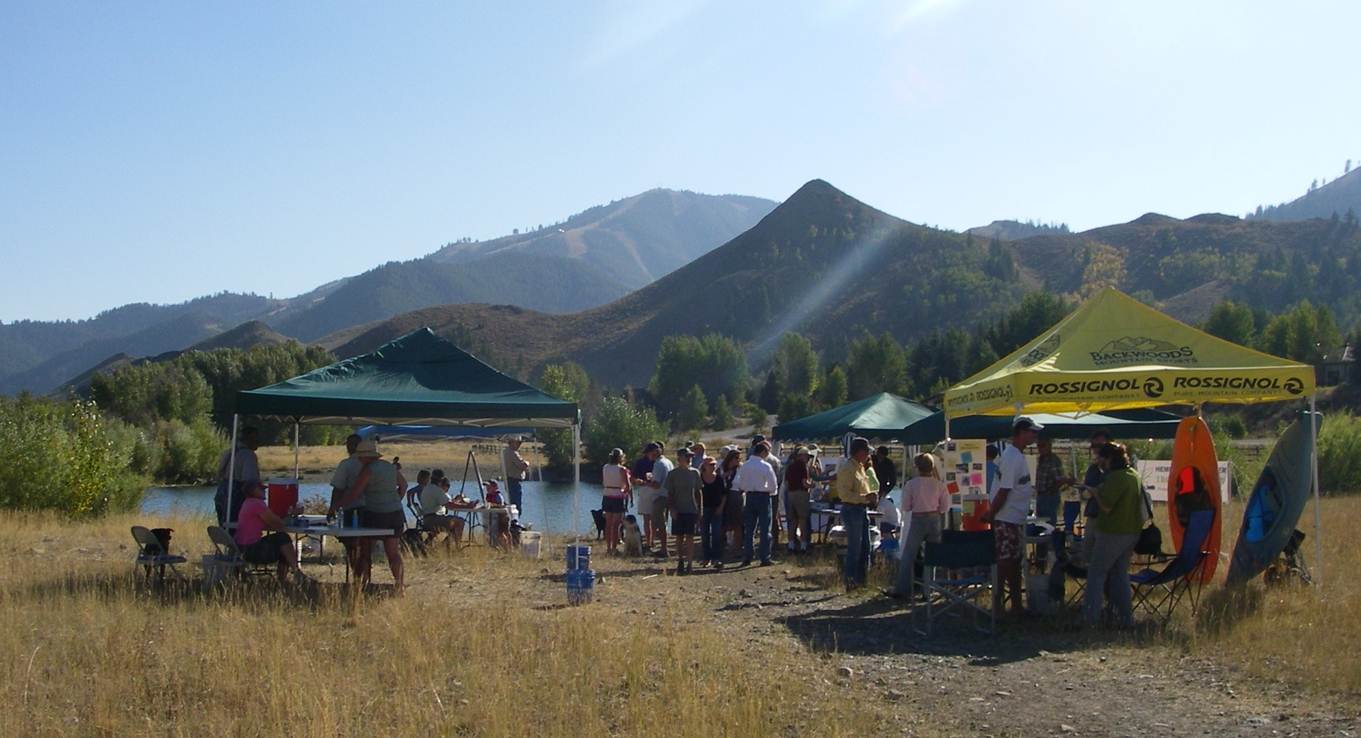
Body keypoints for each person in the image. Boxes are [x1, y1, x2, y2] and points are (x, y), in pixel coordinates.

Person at [982, 417, 1042, 620]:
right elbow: (1004, 490)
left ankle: (1016, 604)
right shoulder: (1011, 457)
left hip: (1014, 518)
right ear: (1021, 432)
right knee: (1005, 562)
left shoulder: (1015, 455)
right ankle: (998, 605)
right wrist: (991, 514)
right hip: (1006, 518)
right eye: (1032, 432)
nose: (1035, 435)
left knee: (1014, 562)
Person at [1085, 442, 1143, 628]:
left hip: (1113, 532)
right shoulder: (1133, 475)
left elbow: (1107, 507)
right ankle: (1126, 618)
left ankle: (1090, 618)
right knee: (1120, 574)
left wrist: (1095, 493)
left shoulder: (1116, 478)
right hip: (1131, 532)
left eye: (1102, 457)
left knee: (1096, 573)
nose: (1099, 461)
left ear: (1109, 458)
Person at [339, 439, 407, 592]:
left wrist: (338, 506)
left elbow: (355, 493)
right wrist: (396, 499)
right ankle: (399, 585)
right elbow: (404, 485)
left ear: (365, 456)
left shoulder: (368, 470)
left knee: (365, 551)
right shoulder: (390, 468)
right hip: (395, 514)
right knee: (393, 553)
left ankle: (363, 583)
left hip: (375, 514)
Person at [890, 453, 951, 600]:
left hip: (918, 518)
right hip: (934, 518)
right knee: (931, 556)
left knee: (908, 555)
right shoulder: (940, 485)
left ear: (917, 468)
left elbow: (906, 506)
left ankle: (902, 589)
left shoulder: (911, 484)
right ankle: (927, 590)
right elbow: (945, 507)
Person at [234, 480, 307, 584]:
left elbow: (272, 523)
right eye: (261, 490)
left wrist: (283, 519)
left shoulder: (248, 502)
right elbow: (278, 523)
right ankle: (295, 574)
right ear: (254, 491)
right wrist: (292, 513)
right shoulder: (257, 504)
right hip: (251, 550)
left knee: (282, 542)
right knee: (283, 540)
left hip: (241, 548)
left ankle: (289, 577)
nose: (264, 492)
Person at [833, 437, 876, 588]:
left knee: (865, 546)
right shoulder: (847, 468)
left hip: (861, 509)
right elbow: (844, 495)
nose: (868, 456)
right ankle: (850, 581)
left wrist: (870, 496)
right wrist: (865, 497)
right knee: (854, 547)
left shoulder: (860, 467)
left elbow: (863, 487)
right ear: (859, 452)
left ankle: (863, 580)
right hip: (852, 509)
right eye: (866, 452)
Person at [327, 433, 366, 576]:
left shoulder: (346, 464)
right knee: (364, 545)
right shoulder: (369, 463)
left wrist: (332, 508)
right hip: (370, 510)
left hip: (352, 509)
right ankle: (363, 576)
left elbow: (338, 488)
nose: (348, 447)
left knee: (351, 545)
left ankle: (357, 574)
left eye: (350, 444)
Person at [735, 441, 779, 566]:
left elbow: (741, 483)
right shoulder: (765, 466)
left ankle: (747, 556)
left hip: (749, 496)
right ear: (763, 452)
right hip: (763, 497)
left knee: (749, 528)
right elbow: (773, 485)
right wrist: (771, 492)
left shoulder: (745, 466)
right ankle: (764, 557)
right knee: (765, 528)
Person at [665, 448, 703, 575]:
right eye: (687, 456)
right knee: (679, 537)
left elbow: (698, 492)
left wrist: (700, 510)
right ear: (680, 458)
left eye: (691, 457)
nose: (689, 459)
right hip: (678, 509)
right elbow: (670, 494)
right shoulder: (673, 474)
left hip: (691, 509)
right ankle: (680, 560)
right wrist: (672, 509)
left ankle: (690, 563)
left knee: (690, 537)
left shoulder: (695, 473)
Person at [215, 426, 261, 526]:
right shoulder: (248, 455)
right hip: (236, 497)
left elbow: (218, 474)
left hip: (221, 493)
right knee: (237, 529)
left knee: (225, 529)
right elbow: (249, 482)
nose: (258, 441)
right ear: (250, 438)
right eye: (256, 438)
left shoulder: (229, 452)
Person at [1081, 430, 1112, 561]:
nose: (1096, 450)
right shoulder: (1093, 469)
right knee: (1087, 553)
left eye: (1100, 446)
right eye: (1094, 446)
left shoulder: (1118, 469)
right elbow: (1085, 493)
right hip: (1093, 516)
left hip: (1111, 519)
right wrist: (1086, 492)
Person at [418, 471, 468, 547]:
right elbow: (449, 505)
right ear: (441, 480)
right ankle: (455, 548)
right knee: (460, 522)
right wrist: (466, 506)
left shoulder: (427, 487)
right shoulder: (436, 490)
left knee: (453, 523)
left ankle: (444, 546)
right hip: (433, 519)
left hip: (427, 519)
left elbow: (446, 502)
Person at [1034, 437, 1072, 525]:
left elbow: (1059, 479)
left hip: (1049, 497)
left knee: (1049, 524)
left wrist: (1051, 491)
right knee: (1040, 524)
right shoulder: (1041, 459)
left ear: (1049, 446)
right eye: (1039, 446)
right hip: (1040, 495)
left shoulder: (1053, 460)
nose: (1040, 448)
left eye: (1043, 446)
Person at [601, 448, 632, 555]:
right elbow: (627, 486)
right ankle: (614, 548)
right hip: (617, 496)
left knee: (608, 524)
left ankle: (608, 547)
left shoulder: (605, 467)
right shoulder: (622, 469)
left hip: (607, 495)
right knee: (616, 525)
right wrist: (624, 491)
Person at [784, 446, 814, 553]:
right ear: (803, 456)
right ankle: (803, 545)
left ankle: (791, 544)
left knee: (792, 521)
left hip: (790, 494)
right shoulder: (803, 466)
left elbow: (786, 483)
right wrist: (812, 485)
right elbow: (805, 483)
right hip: (801, 494)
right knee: (802, 519)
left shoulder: (790, 466)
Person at [699, 456, 727, 568]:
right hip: (704, 509)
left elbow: (724, 494)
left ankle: (716, 558)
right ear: (704, 466)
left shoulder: (719, 478)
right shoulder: (699, 478)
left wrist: (721, 507)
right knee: (704, 534)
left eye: (714, 464)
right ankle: (706, 558)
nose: (713, 466)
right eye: (710, 464)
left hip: (716, 509)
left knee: (716, 534)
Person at [647, 444, 674, 558]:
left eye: (648, 453)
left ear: (654, 452)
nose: (648, 456)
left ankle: (664, 549)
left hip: (660, 497)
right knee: (664, 523)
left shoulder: (658, 464)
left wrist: (646, 482)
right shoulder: (668, 462)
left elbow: (656, 485)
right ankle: (664, 547)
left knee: (659, 523)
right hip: (668, 495)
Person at [719, 448, 745, 552]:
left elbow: (743, 481)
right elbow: (718, 478)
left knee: (737, 522)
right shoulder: (722, 467)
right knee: (725, 521)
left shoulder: (741, 468)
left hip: (736, 495)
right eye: (736, 458)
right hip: (724, 494)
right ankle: (724, 542)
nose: (738, 460)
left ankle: (737, 544)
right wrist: (725, 475)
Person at [502, 437, 530, 515]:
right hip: (514, 481)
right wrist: (527, 463)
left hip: (509, 480)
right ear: (512, 442)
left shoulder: (505, 452)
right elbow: (522, 465)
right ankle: (515, 523)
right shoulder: (512, 453)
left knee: (512, 503)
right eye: (518, 443)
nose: (519, 445)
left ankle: (512, 522)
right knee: (516, 505)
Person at [483, 480, 512, 549]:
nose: (487, 488)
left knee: (504, 532)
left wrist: (491, 505)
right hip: (494, 516)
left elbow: (501, 505)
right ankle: (503, 547)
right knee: (499, 533)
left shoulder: (498, 495)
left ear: (495, 487)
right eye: (487, 487)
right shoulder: (489, 496)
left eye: (489, 487)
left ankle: (509, 547)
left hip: (502, 516)